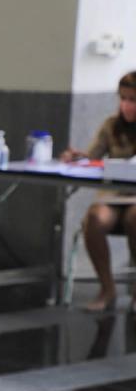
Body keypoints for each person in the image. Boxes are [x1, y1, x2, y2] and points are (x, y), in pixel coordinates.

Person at [61, 71, 136, 311]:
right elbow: (92, 156)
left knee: (135, 218)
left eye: (133, 100)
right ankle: (107, 288)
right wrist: (78, 157)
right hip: (114, 196)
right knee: (94, 218)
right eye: (123, 99)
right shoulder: (111, 126)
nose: (126, 105)